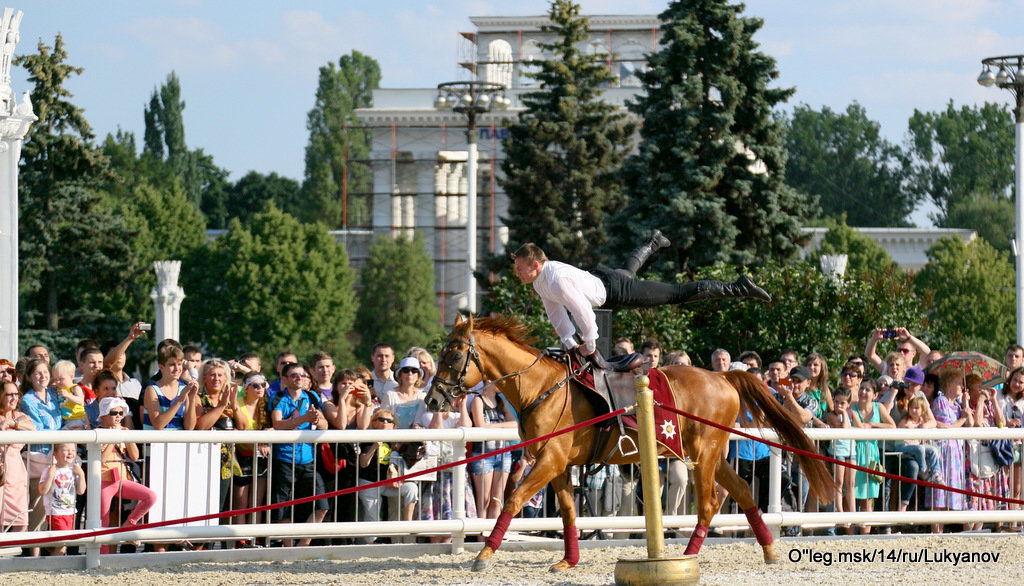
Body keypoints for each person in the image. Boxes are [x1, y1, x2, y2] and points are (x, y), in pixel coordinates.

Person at [511, 239, 770, 356]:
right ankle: (654, 241)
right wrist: (569, 343)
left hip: (613, 289)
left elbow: (583, 313)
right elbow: (557, 317)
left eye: (520, 268)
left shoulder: (556, 279)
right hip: (605, 283)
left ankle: (738, 287)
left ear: (535, 264)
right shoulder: (540, 284)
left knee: (675, 294)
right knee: (627, 272)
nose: (517, 273)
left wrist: (589, 345)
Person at [269, 362, 329, 546]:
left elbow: (324, 425)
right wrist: (305, 419)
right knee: (283, 508)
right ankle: (289, 548)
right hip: (284, 459)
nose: (299, 378)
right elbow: (278, 424)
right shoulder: (278, 397)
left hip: (308, 459)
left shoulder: (311, 396)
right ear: (284, 379)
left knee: (321, 506)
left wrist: (317, 420)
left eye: (302, 375)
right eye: (294, 375)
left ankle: (303, 546)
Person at [97, 397, 156, 552]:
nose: (118, 416)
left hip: (121, 479)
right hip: (104, 480)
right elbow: (100, 459)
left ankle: (129, 524)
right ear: (103, 415)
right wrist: (112, 438)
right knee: (103, 520)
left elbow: (135, 456)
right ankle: (101, 557)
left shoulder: (124, 431)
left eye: (121, 413)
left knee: (150, 496)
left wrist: (127, 436)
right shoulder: (98, 432)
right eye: (113, 413)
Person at [357, 408, 419, 530]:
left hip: (387, 483)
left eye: (389, 421)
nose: (385, 422)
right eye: (381, 419)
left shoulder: (394, 440)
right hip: (369, 483)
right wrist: (374, 447)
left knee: (411, 488)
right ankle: (370, 545)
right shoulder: (367, 438)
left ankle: (409, 525)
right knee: (373, 518)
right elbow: (363, 463)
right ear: (374, 423)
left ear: (393, 426)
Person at [928, 368, 973, 532]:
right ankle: (936, 530)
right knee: (939, 494)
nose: (962, 387)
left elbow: (971, 423)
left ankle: (942, 530)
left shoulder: (956, 405)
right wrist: (962, 418)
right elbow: (947, 427)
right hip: (943, 451)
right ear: (949, 385)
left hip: (955, 453)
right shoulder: (940, 402)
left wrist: (965, 405)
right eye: (959, 384)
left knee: (949, 495)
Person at [230, 373, 271, 545]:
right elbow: (240, 428)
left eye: (263, 384)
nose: (260, 388)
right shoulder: (239, 402)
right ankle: (241, 539)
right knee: (241, 501)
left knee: (257, 502)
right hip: (241, 455)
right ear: (245, 388)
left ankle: (255, 538)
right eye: (255, 385)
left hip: (260, 457)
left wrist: (268, 439)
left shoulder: (266, 405)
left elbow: (272, 427)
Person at [851, 378, 894, 534]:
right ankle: (851, 534)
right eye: (861, 389)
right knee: (852, 494)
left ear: (875, 394)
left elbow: (891, 425)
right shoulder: (852, 408)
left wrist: (872, 425)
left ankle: (865, 535)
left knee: (868, 496)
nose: (863, 392)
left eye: (867, 390)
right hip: (854, 452)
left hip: (871, 453)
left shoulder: (879, 407)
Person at [470, 382, 517, 519]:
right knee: (483, 501)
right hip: (484, 454)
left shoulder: (501, 401)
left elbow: (514, 424)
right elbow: (480, 425)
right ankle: (480, 538)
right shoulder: (478, 400)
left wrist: (494, 426)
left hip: (503, 454)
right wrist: (503, 427)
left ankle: (492, 537)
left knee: (497, 501)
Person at [38, 442, 85, 555]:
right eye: (66, 450)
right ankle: (56, 566)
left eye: (73, 450)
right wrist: (50, 476)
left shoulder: (74, 470)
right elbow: (42, 490)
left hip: (71, 512)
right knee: (62, 544)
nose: (70, 453)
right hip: (56, 512)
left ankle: (55, 562)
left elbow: (81, 490)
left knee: (64, 542)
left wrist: (82, 475)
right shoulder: (49, 470)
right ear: (55, 453)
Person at [0, 381, 33, 535]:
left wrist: (13, 423)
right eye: (9, 394)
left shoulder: (20, 416)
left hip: (17, 471)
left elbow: (32, 428)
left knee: (21, 520)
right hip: (1, 470)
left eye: (16, 394)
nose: (13, 398)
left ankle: (11, 555)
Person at [826, 386, 860, 533]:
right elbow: (844, 427)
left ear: (848, 404)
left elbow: (860, 427)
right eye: (837, 402)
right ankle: (840, 513)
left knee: (850, 483)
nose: (839, 406)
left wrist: (847, 414)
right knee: (839, 483)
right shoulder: (831, 415)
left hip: (851, 450)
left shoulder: (852, 413)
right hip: (838, 450)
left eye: (843, 403)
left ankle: (852, 513)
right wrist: (843, 415)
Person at [143, 345, 198, 430]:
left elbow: (189, 427)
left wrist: (192, 398)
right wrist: (179, 400)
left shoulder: (183, 388)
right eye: (172, 365)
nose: (177, 369)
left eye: (179, 364)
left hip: (178, 442)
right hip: (156, 442)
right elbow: (158, 425)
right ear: (161, 367)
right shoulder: (152, 389)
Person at [379, 356, 428, 430]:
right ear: (400, 375)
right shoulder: (390, 395)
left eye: (414, 371)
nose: (410, 373)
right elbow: (382, 421)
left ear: (418, 376)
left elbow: (419, 422)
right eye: (406, 370)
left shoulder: (422, 396)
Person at [103, 322, 147, 401]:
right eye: (115, 354)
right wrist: (130, 338)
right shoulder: (101, 382)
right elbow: (107, 363)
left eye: (122, 353)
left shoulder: (135, 383)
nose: (119, 356)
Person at [865, 327, 930, 376]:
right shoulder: (890, 368)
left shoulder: (917, 369)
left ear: (914, 354)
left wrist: (909, 338)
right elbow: (870, 355)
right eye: (899, 350)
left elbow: (927, 352)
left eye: (905, 351)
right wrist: (874, 339)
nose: (901, 353)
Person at [51, 360, 86, 430]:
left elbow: (80, 401)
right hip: (67, 419)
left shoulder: (75, 388)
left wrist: (68, 395)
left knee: (65, 435)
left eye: (61, 379)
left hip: (78, 418)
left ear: (72, 376)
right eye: (55, 379)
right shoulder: (58, 388)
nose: (58, 382)